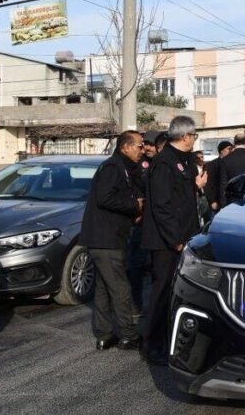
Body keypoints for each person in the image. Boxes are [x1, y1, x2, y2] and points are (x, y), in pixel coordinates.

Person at [140, 116, 206, 366]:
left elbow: (183, 197)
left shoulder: (186, 160)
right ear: (186, 136)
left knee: (180, 293)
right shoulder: (164, 163)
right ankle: (151, 343)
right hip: (166, 241)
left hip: (187, 236)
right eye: (194, 136)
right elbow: (161, 206)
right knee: (162, 291)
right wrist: (176, 240)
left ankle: (171, 339)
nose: (194, 140)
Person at [80, 130, 145, 351]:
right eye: (139, 145)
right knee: (120, 288)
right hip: (106, 239)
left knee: (104, 289)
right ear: (125, 146)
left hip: (107, 237)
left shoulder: (123, 167)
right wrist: (134, 205)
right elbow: (106, 197)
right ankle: (128, 334)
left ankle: (104, 334)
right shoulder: (113, 167)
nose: (142, 150)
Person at [127, 129, 158, 310]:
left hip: (157, 222)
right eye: (145, 144)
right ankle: (136, 303)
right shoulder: (137, 165)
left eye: (151, 144)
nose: (147, 148)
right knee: (136, 264)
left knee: (157, 266)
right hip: (140, 221)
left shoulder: (163, 164)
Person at [203, 141, 233, 213]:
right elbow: (207, 184)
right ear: (221, 151)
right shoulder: (211, 165)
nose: (231, 151)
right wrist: (212, 201)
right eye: (229, 149)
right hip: (216, 203)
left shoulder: (231, 164)